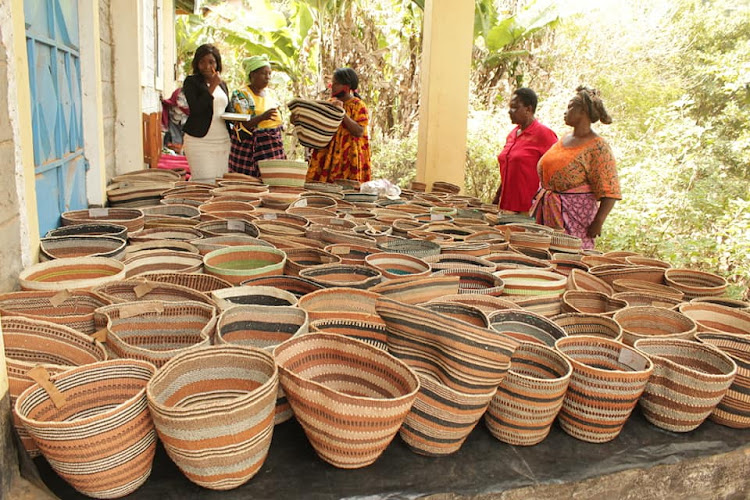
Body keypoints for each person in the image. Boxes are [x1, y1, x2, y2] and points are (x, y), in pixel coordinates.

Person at [530, 86, 621, 249]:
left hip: (576, 217)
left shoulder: (598, 147)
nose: (565, 112)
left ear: (582, 111)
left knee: (569, 257)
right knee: (545, 256)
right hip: (549, 210)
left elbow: (610, 190)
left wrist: (598, 221)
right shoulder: (565, 139)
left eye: (570, 107)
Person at [492, 88, 557, 213]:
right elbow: (509, 172)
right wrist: (497, 198)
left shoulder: (544, 135)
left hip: (528, 211)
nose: (510, 111)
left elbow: (555, 173)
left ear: (528, 109)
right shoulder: (512, 135)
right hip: (506, 208)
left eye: (515, 107)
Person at [305, 68, 372, 184]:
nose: (332, 86)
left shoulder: (359, 105)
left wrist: (342, 113)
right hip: (328, 155)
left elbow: (359, 131)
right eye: (332, 83)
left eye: (336, 83)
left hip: (349, 156)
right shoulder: (329, 103)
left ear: (347, 86)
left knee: (347, 192)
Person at [227, 55, 286, 178]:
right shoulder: (242, 95)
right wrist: (262, 117)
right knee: (247, 183)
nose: (268, 77)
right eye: (264, 73)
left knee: (274, 180)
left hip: (273, 146)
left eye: (270, 73)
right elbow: (241, 124)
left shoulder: (270, 94)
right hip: (251, 149)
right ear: (252, 74)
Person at [181, 43, 231, 183]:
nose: (207, 66)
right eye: (202, 62)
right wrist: (213, 85)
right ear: (197, 64)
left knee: (220, 182)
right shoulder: (191, 82)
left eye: (211, 62)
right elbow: (197, 108)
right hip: (199, 141)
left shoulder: (223, 85)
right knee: (203, 183)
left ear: (217, 63)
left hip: (223, 141)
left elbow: (228, 109)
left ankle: (216, 207)